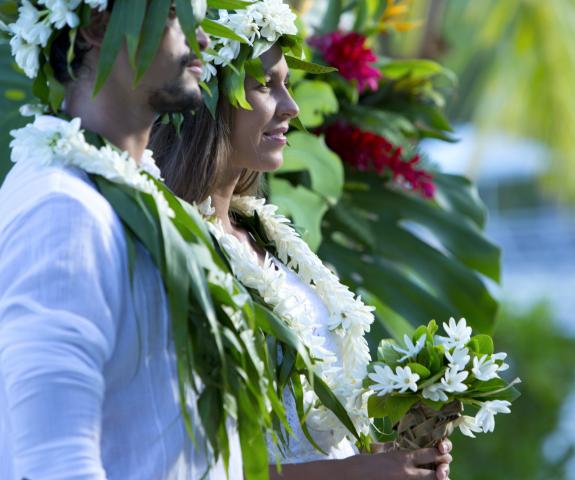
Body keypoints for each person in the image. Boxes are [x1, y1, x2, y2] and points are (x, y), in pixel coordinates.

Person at [150, 43, 454, 480]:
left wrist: (390, 457)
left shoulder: (266, 236)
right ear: (207, 97)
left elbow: (307, 432)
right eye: (265, 85)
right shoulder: (174, 245)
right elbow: (177, 461)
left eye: (288, 85)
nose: (291, 106)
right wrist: (350, 475)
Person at [0, 2, 244, 479]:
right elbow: (57, 463)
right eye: (176, 15)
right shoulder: (63, 209)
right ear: (95, 25)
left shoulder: (130, 195)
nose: (205, 41)